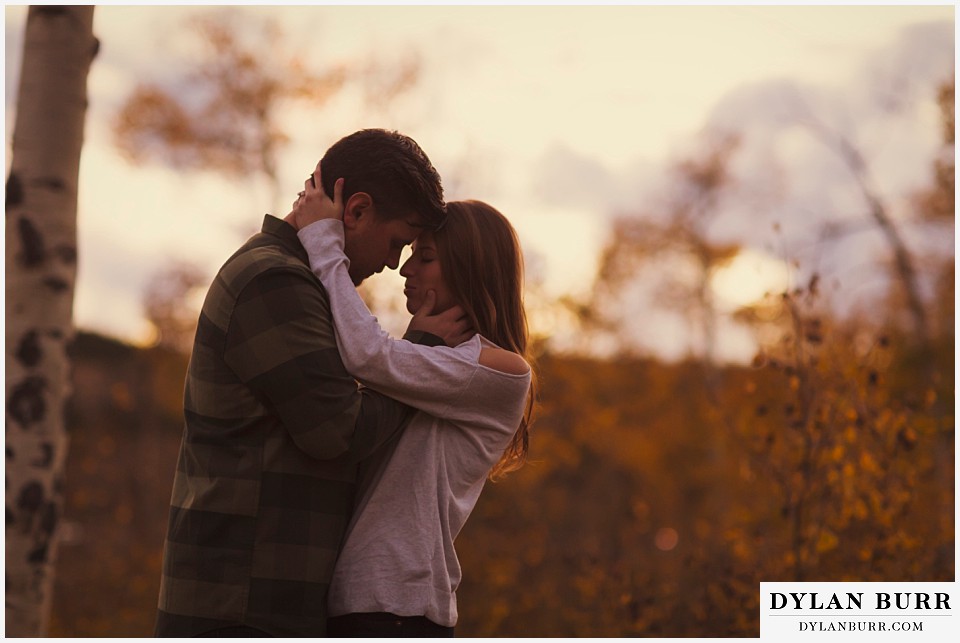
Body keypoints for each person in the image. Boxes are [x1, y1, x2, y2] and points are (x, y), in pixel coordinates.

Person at [154, 129, 472, 638]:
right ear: (359, 210)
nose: (394, 263)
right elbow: (337, 431)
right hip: (240, 604)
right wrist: (423, 356)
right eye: (397, 242)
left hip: (260, 595)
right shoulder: (274, 282)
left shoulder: (297, 282)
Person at [291, 169, 537, 637]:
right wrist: (419, 341)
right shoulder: (425, 361)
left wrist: (325, 245)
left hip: (399, 609)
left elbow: (368, 355)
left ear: (470, 268)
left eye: (424, 257)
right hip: (360, 604)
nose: (405, 269)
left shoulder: (500, 372)